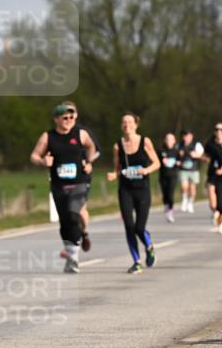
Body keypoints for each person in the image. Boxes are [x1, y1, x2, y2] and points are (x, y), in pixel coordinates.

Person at [30, 104, 98, 273]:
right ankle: (70, 254)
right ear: (56, 119)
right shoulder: (48, 137)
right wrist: (43, 162)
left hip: (79, 183)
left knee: (74, 216)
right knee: (65, 221)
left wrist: (89, 162)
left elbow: (91, 147)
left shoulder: (80, 134)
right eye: (64, 118)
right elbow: (34, 155)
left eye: (71, 118)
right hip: (59, 185)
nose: (68, 121)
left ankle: (74, 258)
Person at [106, 112, 161, 273]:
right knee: (129, 226)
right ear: (121, 126)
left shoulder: (145, 142)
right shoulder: (118, 146)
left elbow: (157, 163)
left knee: (139, 227)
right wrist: (113, 175)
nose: (127, 124)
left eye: (130, 122)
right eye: (124, 122)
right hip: (125, 190)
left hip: (142, 190)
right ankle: (136, 262)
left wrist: (146, 170)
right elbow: (118, 169)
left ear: (136, 125)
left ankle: (149, 246)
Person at [60, 100, 100, 251]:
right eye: (64, 112)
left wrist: (89, 162)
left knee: (80, 209)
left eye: (71, 112)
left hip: (81, 176)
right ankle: (71, 244)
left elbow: (96, 150)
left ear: (75, 114)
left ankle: (84, 232)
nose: (67, 117)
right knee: (67, 213)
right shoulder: (56, 133)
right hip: (62, 180)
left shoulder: (82, 132)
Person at [204, 123, 222, 236]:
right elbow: (205, 155)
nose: (219, 131)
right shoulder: (210, 144)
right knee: (213, 204)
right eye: (217, 129)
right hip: (212, 174)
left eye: (221, 129)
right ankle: (216, 214)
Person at [176, 130, 204, 213]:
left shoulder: (197, 145)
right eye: (185, 136)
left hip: (194, 169)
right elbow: (175, 155)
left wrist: (195, 155)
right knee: (184, 186)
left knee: (192, 188)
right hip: (183, 169)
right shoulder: (179, 145)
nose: (186, 138)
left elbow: (202, 155)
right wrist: (178, 161)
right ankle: (184, 198)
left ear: (191, 136)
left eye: (188, 136)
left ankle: (190, 202)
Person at [158, 132, 180, 222]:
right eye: (167, 139)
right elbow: (155, 161)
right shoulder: (161, 151)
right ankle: (166, 205)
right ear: (165, 140)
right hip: (163, 175)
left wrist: (179, 163)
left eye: (171, 139)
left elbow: (181, 160)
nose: (169, 141)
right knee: (165, 194)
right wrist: (161, 161)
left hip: (173, 176)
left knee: (170, 194)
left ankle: (170, 211)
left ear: (174, 141)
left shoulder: (176, 151)